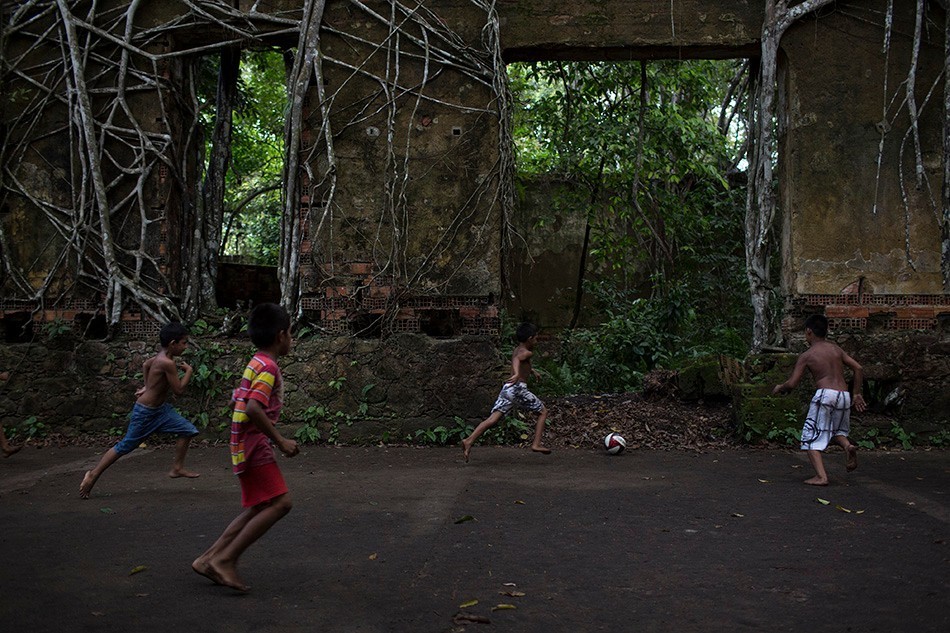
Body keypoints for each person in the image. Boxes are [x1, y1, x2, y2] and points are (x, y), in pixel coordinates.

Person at [192, 303, 299, 592]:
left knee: (261, 505)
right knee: (281, 504)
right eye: (290, 333)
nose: (291, 338)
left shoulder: (255, 362)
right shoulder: (269, 368)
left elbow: (236, 399)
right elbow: (253, 407)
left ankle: (208, 559)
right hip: (254, 445)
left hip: (241, 444)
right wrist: (281, 441)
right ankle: (226, 560)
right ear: (280, 336)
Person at [79, 322, 199, 498]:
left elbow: (145, 364)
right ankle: (92, 475)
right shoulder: (167, 362)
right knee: (126, 445)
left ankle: (177, 468)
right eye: (184, 342)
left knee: (188, 430)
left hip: (160, 410)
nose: (186, 346)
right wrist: (189, 371)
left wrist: (147, 386)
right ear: (173, 343)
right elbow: (179, 390)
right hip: (146, 412)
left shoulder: (162, 357)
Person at [773, 314, 866, 486]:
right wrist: (856, 394)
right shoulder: (836, 349)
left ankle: (821, 477)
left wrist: (780, 387)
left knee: (810, 437)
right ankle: (848, 447)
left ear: (809, 332)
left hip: (825, 395)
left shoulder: (807, 355)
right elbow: (858, 368)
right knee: (837, 432)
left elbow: (792, 383)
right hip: (843, 395)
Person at [462, 322, 551, 462]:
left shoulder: (518, 349)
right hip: (517, 389)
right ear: (530, 338)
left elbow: (519, 359)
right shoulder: (527, 352)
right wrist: (516, 374)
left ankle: (469, 440)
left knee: (493, 419)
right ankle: (536, 444)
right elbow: (517, 360)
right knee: (543, 412)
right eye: (536, 338)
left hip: (507, 389)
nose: (537, 341)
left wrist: (533, 371)